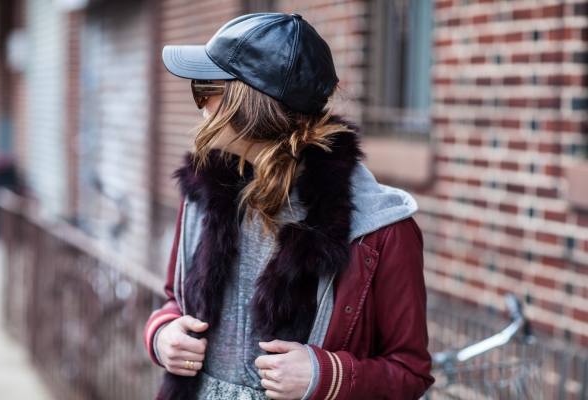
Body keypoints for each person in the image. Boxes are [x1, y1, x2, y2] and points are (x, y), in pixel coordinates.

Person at [144, 13, 434, 400]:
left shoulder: (380, 229)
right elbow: (173, 300)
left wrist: (324, 376)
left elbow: (410, 372)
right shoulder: (203, 192)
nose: (200, 104)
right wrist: (163, 334)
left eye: (204, 88)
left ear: (248, 104)